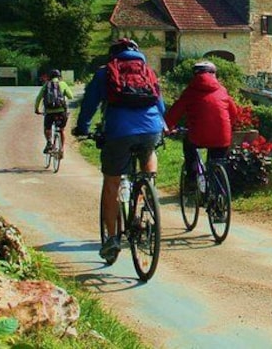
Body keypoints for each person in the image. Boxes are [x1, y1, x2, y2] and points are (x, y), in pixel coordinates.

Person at [73, 38, 166, 261]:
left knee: (112, 182)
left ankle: (112, 239)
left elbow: (89, 104)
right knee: (149, 151)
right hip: (151, 129)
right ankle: (147, 188)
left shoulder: (105, 72)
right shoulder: (148, 71)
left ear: (112, 55)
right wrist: (161, 126)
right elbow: (160, 105)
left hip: (119, 132)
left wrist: (82, 127)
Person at [164, 60, 240, 188]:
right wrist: (228, 125)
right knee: (217, 160)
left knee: (189, 145)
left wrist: (167, 127)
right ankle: (219, 193)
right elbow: (234, 113)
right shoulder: (222, 90)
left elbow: (175, 112)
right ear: (214, 74)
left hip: (198, 136)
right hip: (222, 136)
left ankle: (192, 176)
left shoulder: (190, 91)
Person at [34, 69, 74, 156]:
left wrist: (36, 109)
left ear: (50, 76)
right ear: (59, 76)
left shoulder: (46, 85)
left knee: (47, 128)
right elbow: (71, 96)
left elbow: (38, 98)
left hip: (49, 112)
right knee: (61, 130)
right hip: (61, 111)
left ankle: (49, 142)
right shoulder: (63, 84)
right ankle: (62, 149)